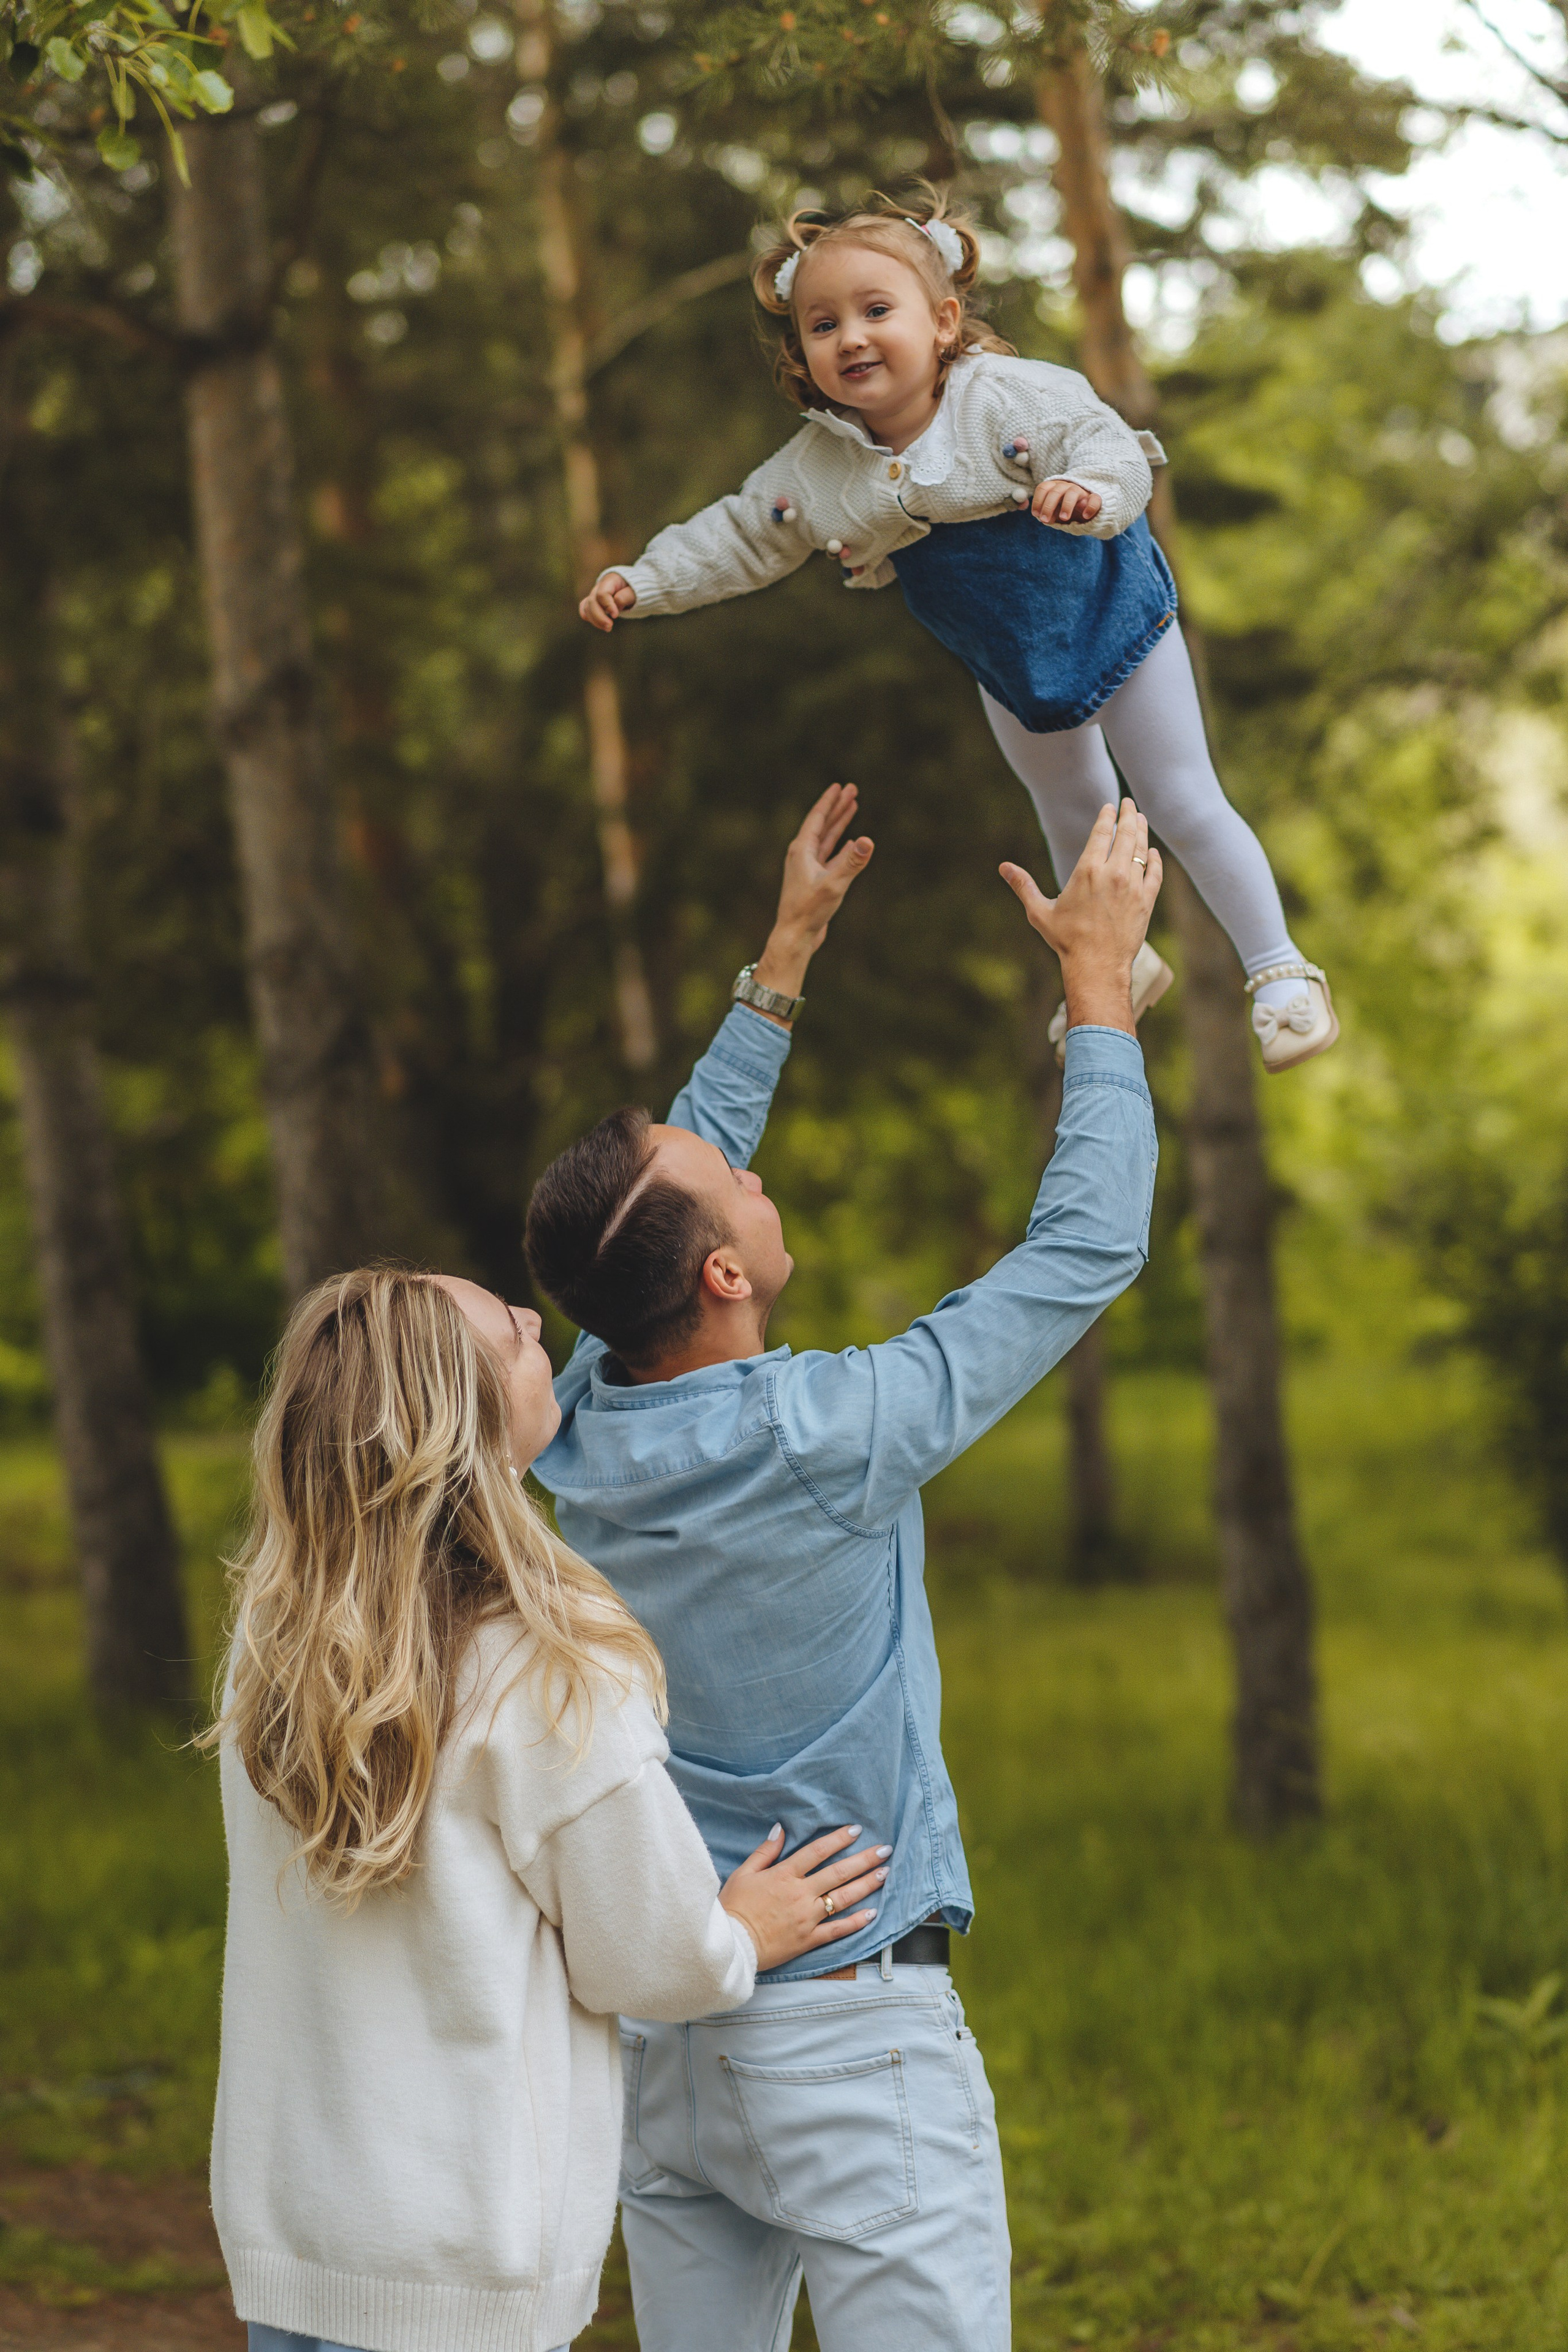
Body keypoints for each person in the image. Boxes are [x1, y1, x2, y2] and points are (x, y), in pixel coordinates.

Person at [522, 782, 1162, 2352]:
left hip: (677, 2023)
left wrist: (781, 964)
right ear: (722, 1274)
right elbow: (1082, 1251)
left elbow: (649, 1225)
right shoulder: (829, 1433)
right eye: (733, 1180)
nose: (752, 1170)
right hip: (848, 2041)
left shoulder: (576, 1427)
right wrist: (1096, 997)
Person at [203, 1265, 890, 2352]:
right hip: (460, 2265)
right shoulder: (544, 1669)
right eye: (513, 1337)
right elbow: (646, 1959)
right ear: (465, 1428)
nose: (536, 1320)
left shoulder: (279, 1645)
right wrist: (739, 1934)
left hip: (295, 2240)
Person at [578, 193, 1335, 1076]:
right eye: (823, 325)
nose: (851, 338)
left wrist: (1090, 492)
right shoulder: (821, 467)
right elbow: (744, 532)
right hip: (1007, 660)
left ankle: (1281, 971)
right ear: (802, 351)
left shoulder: (1010, 400)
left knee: (1177, 797)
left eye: (876, 311)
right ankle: (1117, 965)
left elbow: (1112, 448)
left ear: (942, 323)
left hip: (1110, 610)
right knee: (1071, 811)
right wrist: (646, 581)